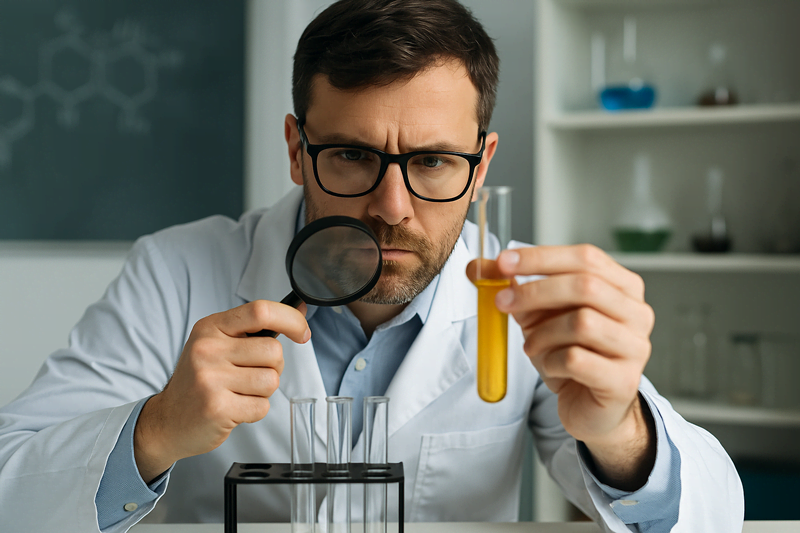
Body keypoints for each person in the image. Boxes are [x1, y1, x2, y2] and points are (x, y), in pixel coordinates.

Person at [0, 1, 743, 532]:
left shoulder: (517, 302)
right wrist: (156, 428)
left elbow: (712, 519)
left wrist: (621, 433)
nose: (393, 205)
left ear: (481, 166)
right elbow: (11, 491)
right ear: (297, 148)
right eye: (354, 155)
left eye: (431, 161)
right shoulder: (174, 272)